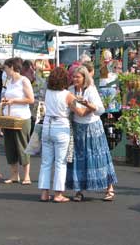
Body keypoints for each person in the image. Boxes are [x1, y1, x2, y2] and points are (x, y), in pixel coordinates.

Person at [66, 66, 118, 202]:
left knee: (99, 156)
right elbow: (74, 109)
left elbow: (100, 109)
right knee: (79, 158)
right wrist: (79, 108)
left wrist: (87, 105)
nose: (75, 79)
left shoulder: (91, 90)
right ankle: (79, 190)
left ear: (84, 77)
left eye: (78, 77)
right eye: (74, 76)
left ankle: (109, 188)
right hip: (78, 127)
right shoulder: (70, 90)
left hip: (93, 127)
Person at [38, 67, 88, 202]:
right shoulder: (67, 95)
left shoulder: (48, 92)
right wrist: (90, 107)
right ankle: (58, 194)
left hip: (47, 125)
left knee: (46, 162)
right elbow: (79, 112)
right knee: (61, 162)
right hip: (61, 128)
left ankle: (44, 193)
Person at [1, 58, 34, 185]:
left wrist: (14, 101)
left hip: (21, 117)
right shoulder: (9, 81)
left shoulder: (24, 80)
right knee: (10, 146)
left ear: (12, 67)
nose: (5, 70)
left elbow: (31, 99)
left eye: (6, 68)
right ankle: (14, 175)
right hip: (9, 117)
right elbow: (8, 96)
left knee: (22, 145)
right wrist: (5, 100)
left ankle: (27, 176)